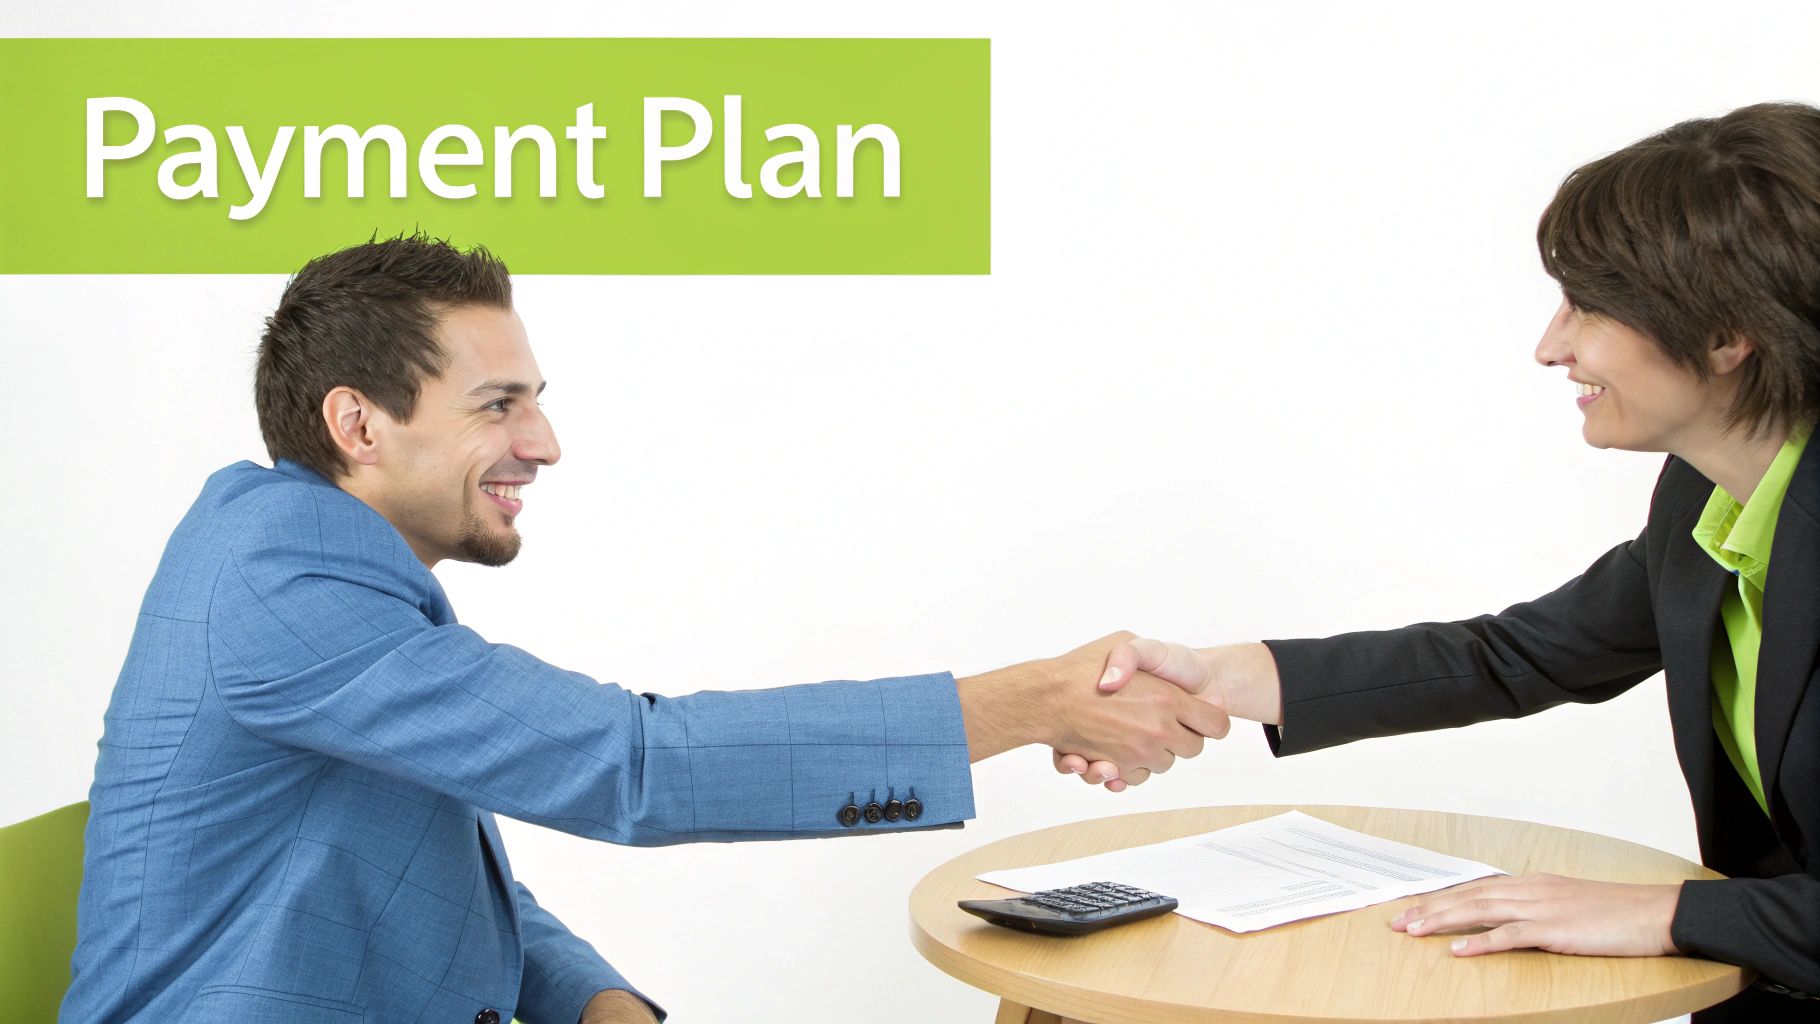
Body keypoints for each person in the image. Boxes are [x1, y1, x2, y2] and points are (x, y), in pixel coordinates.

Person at [62, 234, 1229, 1024]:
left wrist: (596, 1001)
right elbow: (632, 763)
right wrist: (1025, 704)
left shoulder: (315, 564)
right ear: (357, 422)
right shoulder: (282, 582)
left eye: (536, 398)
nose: (545, 443)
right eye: (499, 404)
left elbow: (435, 862)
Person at [1057, 101, 1820, 1022]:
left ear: (1727, 334)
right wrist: (1215, 676)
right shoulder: (1708, 500)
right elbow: (1513, 656)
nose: (1551, 346)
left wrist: (1673, 911)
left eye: (1590, 306)